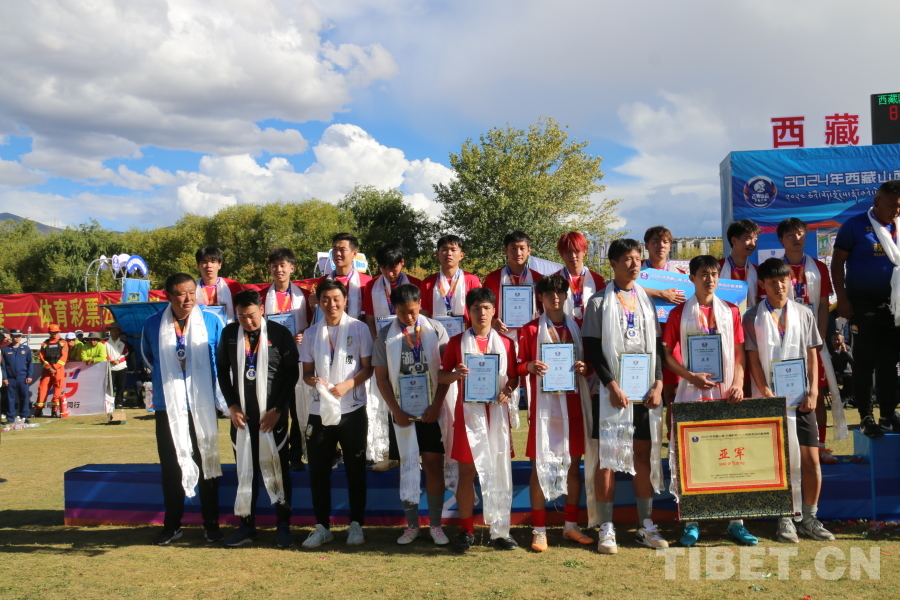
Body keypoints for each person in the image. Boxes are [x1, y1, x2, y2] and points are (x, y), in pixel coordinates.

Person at [661, 255, 757, 547]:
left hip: (726, 391)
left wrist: (738, 383)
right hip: (691, 390)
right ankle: (692, 521)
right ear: (691, 278)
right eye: (703, 273)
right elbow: (667, 355)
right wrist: (690, 376)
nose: (710, 279)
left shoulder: (731, 311)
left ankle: (736, 521)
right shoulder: (678, 313)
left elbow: (739, 353)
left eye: (714, 273)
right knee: (692, 456)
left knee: (732, 455)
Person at [582, 238, 668, 554]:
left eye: (638, 258)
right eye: (628, 259)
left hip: (643, 391)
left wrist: (658, 383)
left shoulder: (646, 300)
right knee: (608, 459)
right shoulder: (598, 302)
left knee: (641, 456)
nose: (634, 264)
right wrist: (611, 385)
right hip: (610, 393)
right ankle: (606, 527)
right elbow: (593, 349)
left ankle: (646, 524)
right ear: (613, 264)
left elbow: (656, 347)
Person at [743, 258, 835, 543]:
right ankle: (785, 518)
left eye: (783, 281)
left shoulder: (804, 313)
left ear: (790, 282)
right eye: (772, 282)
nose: (779, 286)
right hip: (769, 399)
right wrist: (763, 389)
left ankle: (809, 518)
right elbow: (752, 358)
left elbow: (812, 354)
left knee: (811, 460)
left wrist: (814, 392)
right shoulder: (752, 317)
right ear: (762, 285)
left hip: (801, 398)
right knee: (778, 461)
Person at [141, 273, 224, 546]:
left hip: (203, 403)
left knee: (208, 461)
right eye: (180, 293)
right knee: (171, 466)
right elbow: (149, 358)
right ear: (168, 296)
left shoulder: (212, 321)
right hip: (168, 404)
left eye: (191, 292)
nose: (188, 299)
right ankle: (172, 525)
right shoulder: (153, 324)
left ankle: (211, 524)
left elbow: (221, 359)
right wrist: (175, 374)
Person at [437, 287, 520, 553]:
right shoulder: (456, 343)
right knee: (466, 474)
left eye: (486, 308)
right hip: (468, 418)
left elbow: (514, 377)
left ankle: (500, 530)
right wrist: (455, 375)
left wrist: (508, 389)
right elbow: (441, 376)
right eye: (476, 308)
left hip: (496, 417)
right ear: (468, 311)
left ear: (494, 311)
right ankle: (466, 530)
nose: (481, 313)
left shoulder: (507, 343)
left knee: (499, 471)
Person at [217, 290, 300, 548]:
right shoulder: (229, 334)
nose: (247, 321)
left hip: (272, 418)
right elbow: (222, 371)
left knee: (279, 470)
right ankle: (246, 526)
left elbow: (292, 374)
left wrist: (278, 409)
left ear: (261, 309)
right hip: (242, 419)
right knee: (246, 471)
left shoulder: (279, 333)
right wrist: (232, 406)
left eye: (251, 315)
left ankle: (283, 526)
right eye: (241, 316)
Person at [517, 273, 594, 551]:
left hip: (573, 406)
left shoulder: (578, 327)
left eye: (560, 292)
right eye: (549, 293)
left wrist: (585, 367)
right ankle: (539, 530)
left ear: (566, 295)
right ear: (540, 297)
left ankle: (570, 526)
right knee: (540, 468)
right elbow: (518, 365)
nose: (555, 298)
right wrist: (529, 367)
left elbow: (591, 365)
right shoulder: (530, 330)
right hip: (544, 410)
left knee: (573, 467)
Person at [372, 284, 452, 546]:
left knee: (433, 465)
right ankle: (411, 526)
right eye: (402, 312)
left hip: (431, 411)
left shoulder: (435, 329)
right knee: (407, 465)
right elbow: (381, 378)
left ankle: (436, 525)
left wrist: (437, 405)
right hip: (402, 413)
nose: (408, 317)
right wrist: (396, 411)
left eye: (413, 311)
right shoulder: (385, 334)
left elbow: (445, 372)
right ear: (394, 309)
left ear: (420, 304)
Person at [299, 279, 373, 548]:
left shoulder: (359, 328)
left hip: (352, 409)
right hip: (320, 410)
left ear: (345, 300)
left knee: (355, 469)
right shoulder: (311, 333)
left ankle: (356, 524)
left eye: (336, 298)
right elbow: (306, 373)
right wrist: (316, 382)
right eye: (325, 299)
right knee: (318, 471)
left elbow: (368, 367)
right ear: (318, 303)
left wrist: (348, 384)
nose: (331, 304)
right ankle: (322, 527)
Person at [831, 180, 900, 437]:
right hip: (862, 304)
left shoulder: (899, 226)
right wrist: (843, 298)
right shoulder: (854, 226)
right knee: (864, 362)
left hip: (894, 305)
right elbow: (836, 264)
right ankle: (865, 417)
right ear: (877, 202)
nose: (896, 211)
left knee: (889, 363)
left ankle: (888, 415)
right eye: (892, 205)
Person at [773, 218, 837, 461]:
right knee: (782, 393)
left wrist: (819, 336)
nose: (796, 238)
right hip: (782, 341)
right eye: (790, 235)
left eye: (800, 233)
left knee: (815, 392)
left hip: (812, 341)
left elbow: (823, 305)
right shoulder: (774, 268)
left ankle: (820, 446)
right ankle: (785, 448)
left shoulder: (818, 267)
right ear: (781, 240)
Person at [259, 247, 310, 472]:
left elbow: (314, 325)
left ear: (292, 268)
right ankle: (276, 453)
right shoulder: (262, 296)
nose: (278, 269)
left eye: (282, 265)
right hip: (272, 361)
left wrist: (304, 333)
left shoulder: (304, 296)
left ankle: (296, 455)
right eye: (274, 265)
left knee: (299, 410)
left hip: (298, 358)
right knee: (278, 409)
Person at [640, 226, 687, 429]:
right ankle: (647, 439)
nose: (660, 246)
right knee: (644, 392)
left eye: (665, 242)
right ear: (646, 246)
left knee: (673, 394)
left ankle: (673, 441)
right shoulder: (638, 271)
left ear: (670, 246)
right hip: (644, 338)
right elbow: (627, 286)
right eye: (655, 242)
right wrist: (661, 293)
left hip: (672, 339)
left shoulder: (679, 275)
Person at [419, 235, 482, 330]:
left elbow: (479, 309)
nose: (449, 253)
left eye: (453, 250)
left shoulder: (472, 280)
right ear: (437, 254)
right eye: (444, 249)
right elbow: (424, 314)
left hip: (466, 333)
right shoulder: (427, 283)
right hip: (436, 334)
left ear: (461, 255)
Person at [362, 243, 423, 340]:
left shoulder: (416, 284)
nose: (389, 273)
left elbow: (422, 314)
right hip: (383, 339)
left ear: (402, 262)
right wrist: (376, 341)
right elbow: (370, 319)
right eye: (384, 269)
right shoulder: (371, 286)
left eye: (393, 268)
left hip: (411, 339)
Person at [311, 233, 372, 321]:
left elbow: (370, 315)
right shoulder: (323, 281)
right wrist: (313, 306)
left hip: (357, 327)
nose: (337, 253)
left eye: (342, 250)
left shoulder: (366, 282)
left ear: (354, 253)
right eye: (335, 249)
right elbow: (318, 314)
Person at [554, 231, 606, 325]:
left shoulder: (597, 280)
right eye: (568, 251)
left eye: (577, 251)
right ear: (562, 254)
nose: (573, 256)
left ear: (584, 252)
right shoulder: (553, 281)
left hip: (591, 331)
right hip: (563, 331)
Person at [719, 219, 761, 307]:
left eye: (755, 240)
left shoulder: (757, 271)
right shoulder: (717, 267)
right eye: (748, 239)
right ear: (734, 241)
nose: (753, 244)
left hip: (750, 315)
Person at [195, 247, 243, 322]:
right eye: (204, 262)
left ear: (219, 265)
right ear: (198, 265)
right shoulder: (191, 287)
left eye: (213, 262)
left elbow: (242, 311)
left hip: (227, 327)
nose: (209, 265)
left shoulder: (232, 285)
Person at [35, 324, 69, 418]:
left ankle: (54, 411)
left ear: (59, 332)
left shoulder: (63, 342)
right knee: (42, 389)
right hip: (47, 370)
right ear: (49, 332)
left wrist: (54, 367)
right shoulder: (44, 344)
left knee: (57, 390)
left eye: (56, 332)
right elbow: (41, 357)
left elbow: (64, 357)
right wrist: (49, 367)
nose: (55, 334)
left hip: (58, 370)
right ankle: (38, 410)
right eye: (53, 332)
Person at [1, 329, 33, 423]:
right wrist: (5, 378)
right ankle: (10, 418)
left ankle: (24, 416)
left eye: (19, 336)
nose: (18, 338)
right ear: (11, 337)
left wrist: (29, 376)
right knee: (10, 399)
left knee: (24, 397)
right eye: (15, 336)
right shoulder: (5, 349)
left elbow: (30, 364)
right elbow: (3, 366)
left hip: (23, 377)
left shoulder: (26, 349)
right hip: (10, 378)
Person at [105, 322, 129, 408]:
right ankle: (109, 403)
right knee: (110, 387)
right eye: (113, 330)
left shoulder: (123, 342)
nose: (115, 332)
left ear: (118, 331)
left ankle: (119, 402)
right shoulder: (104, 342)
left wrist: (118, 360)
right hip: (110, 368)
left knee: (121, 386)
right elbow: (103, 353)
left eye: (116, 330)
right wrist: (110, 359)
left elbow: (126, 353)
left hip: (121, 367)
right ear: (110, 331)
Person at [830, 332, 854, 407]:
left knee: (850, 379)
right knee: (830, 382)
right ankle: (847, 399)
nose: (836, 342)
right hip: (835, 373)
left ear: (842, 339)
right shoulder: (829, 350)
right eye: (834, 340)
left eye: (838, 339)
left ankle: (845, 399)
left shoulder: (847, 348)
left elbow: (852, 361)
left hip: (847, 372)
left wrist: (845, 352)